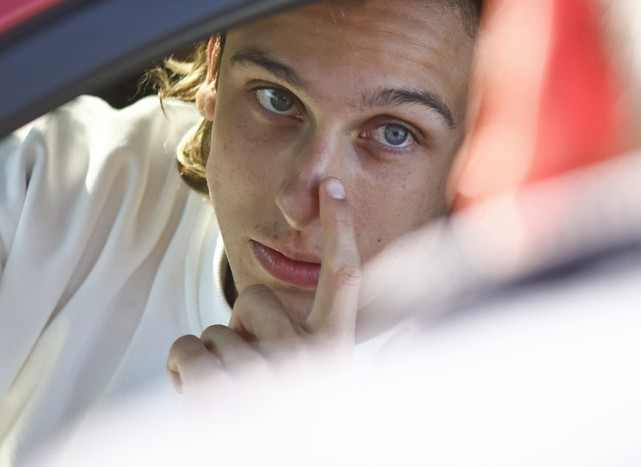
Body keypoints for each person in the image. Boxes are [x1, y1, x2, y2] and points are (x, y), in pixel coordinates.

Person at [0, 0, 480, 464]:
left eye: (393, 133)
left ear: (479, 139)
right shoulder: (54, 182)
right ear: (214, 67)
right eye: (277, 99)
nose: (298, 206)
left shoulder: (514, 379)